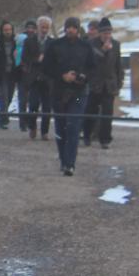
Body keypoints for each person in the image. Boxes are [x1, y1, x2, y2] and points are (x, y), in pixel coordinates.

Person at [42, 16, 95, 176]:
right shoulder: (55, 45)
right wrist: (62, 75)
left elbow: (93, 68)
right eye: (68, 27)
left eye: (73, 27)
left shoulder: (86, 46)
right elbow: (46, 67)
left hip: (79, 94)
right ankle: (63, 160)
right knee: (61, 126)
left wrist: (82, 76)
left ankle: (70, 164)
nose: (70, 30)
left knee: (73, 125)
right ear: (65, 28)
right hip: (58, 92)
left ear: (78, 29)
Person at [84, 17, 122, 150]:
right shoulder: (91, 44)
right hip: (95, 83)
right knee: (90, 111)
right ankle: (87, 135)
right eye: (105, 33)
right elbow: (90, 63)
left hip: (109, 84)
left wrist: (119, 83)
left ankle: (105, 139)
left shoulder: (116, 44)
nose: (107, 36)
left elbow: (118, 66)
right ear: (100, 33)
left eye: (109, 33)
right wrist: (103, 51)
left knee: (107, 113)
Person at [20, 16, 55, 140]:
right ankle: (32, 126)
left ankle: (44, 131)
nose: (44, 30)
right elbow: (24, 58)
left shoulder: (52, 43)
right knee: (33, 104)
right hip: (34, 77)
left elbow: (55, 60)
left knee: (47, 107)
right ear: (38, 28)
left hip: (47, 78)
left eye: (46, 27)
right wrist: (36, 60)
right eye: (42, 27)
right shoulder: (29, 41)